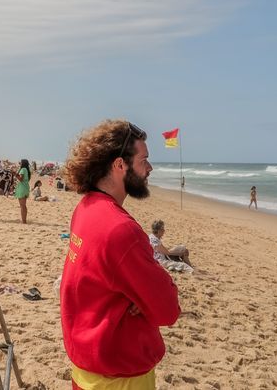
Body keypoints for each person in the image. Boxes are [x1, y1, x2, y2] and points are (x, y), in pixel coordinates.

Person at [60, 120, 180, 389]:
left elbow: (96, 277)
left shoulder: (86, 207)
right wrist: (145, 295)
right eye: (144, 160)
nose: (150, 168)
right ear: (119, 165)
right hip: (118, 377)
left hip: (86, 368)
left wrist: (136, 294)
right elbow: (168, 310)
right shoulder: (121, 230)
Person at [13, 159, 31, 224]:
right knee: (23, 205)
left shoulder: (23, 169)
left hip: (22, 188)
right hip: (25, 187)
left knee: (22, 206)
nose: (19, 163)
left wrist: (15, 174)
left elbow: (21, 179)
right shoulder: (27, 170)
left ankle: (24, 221)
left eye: (20, 163)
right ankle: (24, 220)